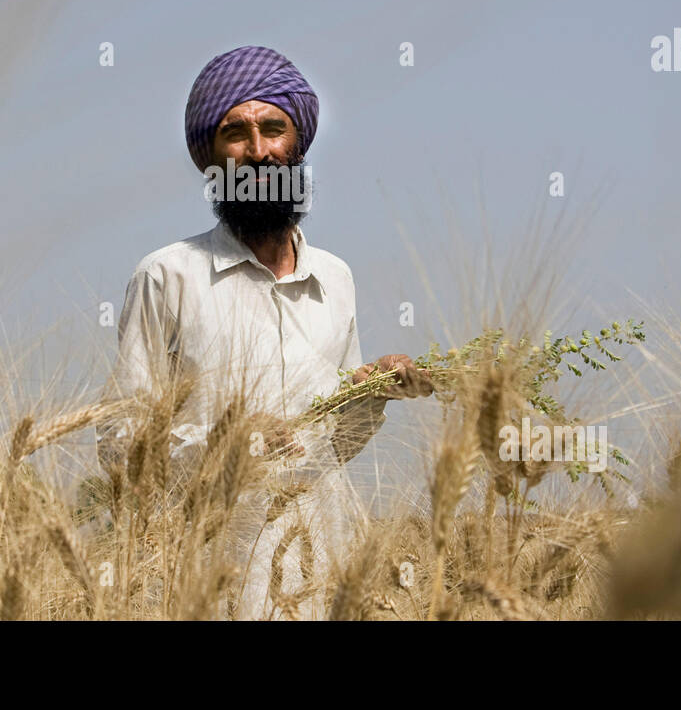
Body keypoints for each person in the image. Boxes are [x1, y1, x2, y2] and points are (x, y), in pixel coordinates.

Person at [95, 45, 434, 619]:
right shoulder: (167, 275)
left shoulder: (335, 278)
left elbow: (332, 448)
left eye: (273, 129)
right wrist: (225, 448)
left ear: (297, 145)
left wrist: (370, 394)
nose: (258, 151)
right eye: (235, 134)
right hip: (205, 587)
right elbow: (120, 442)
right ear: (211, 157)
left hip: (320, 579)